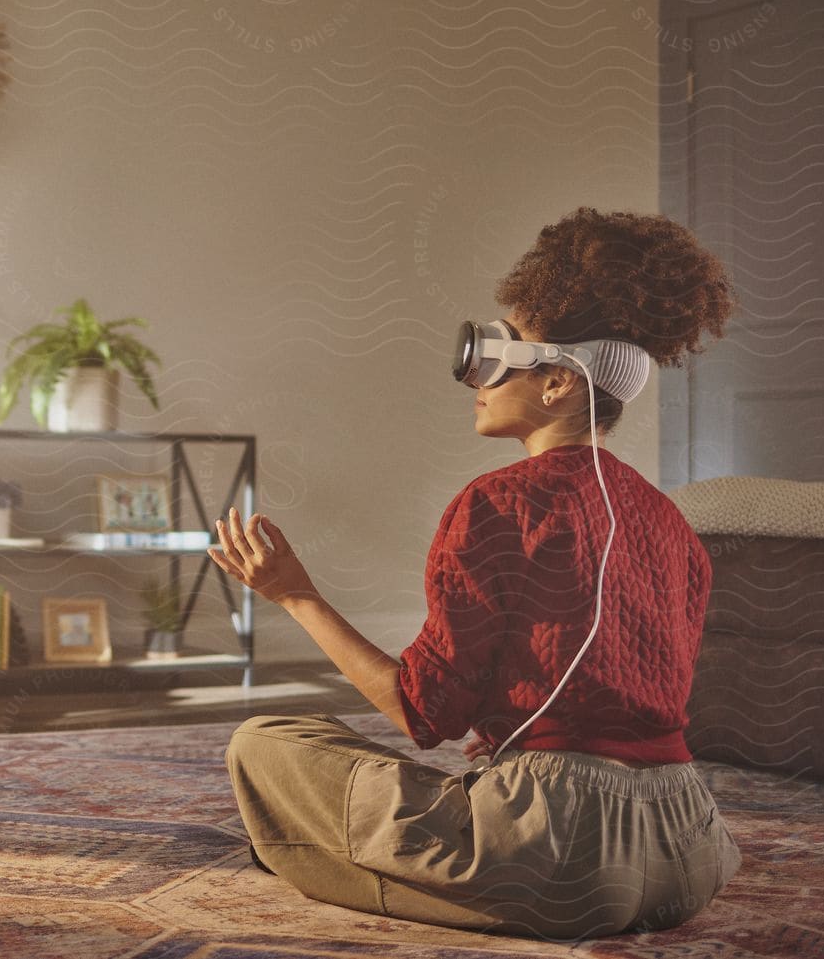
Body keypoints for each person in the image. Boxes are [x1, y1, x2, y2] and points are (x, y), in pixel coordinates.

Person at [208, 207, 745, 940]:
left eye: (500, 351)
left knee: (265, 743)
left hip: (560, 865)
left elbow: (422, 712)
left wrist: (290, 592)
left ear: (556, 380)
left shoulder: (496, 503)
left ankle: (370, 871)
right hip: (691, 855)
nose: (477, 378)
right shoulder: (676, 526)